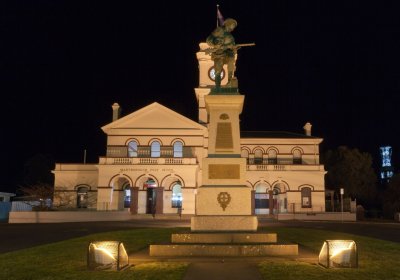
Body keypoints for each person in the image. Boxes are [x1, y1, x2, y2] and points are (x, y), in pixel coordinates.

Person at [206, 18, 238, 88]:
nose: (232, 29)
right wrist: (215, 44)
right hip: (218, 54)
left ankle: (230, 81)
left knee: (231, 61)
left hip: (227, 54)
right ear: (228, 24)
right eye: (232, 26)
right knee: (218, 67)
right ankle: (217, 85)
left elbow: (233, 48)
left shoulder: (231, 37)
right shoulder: (219, 30)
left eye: (233, 27)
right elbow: (208, 40)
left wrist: (234, 48)